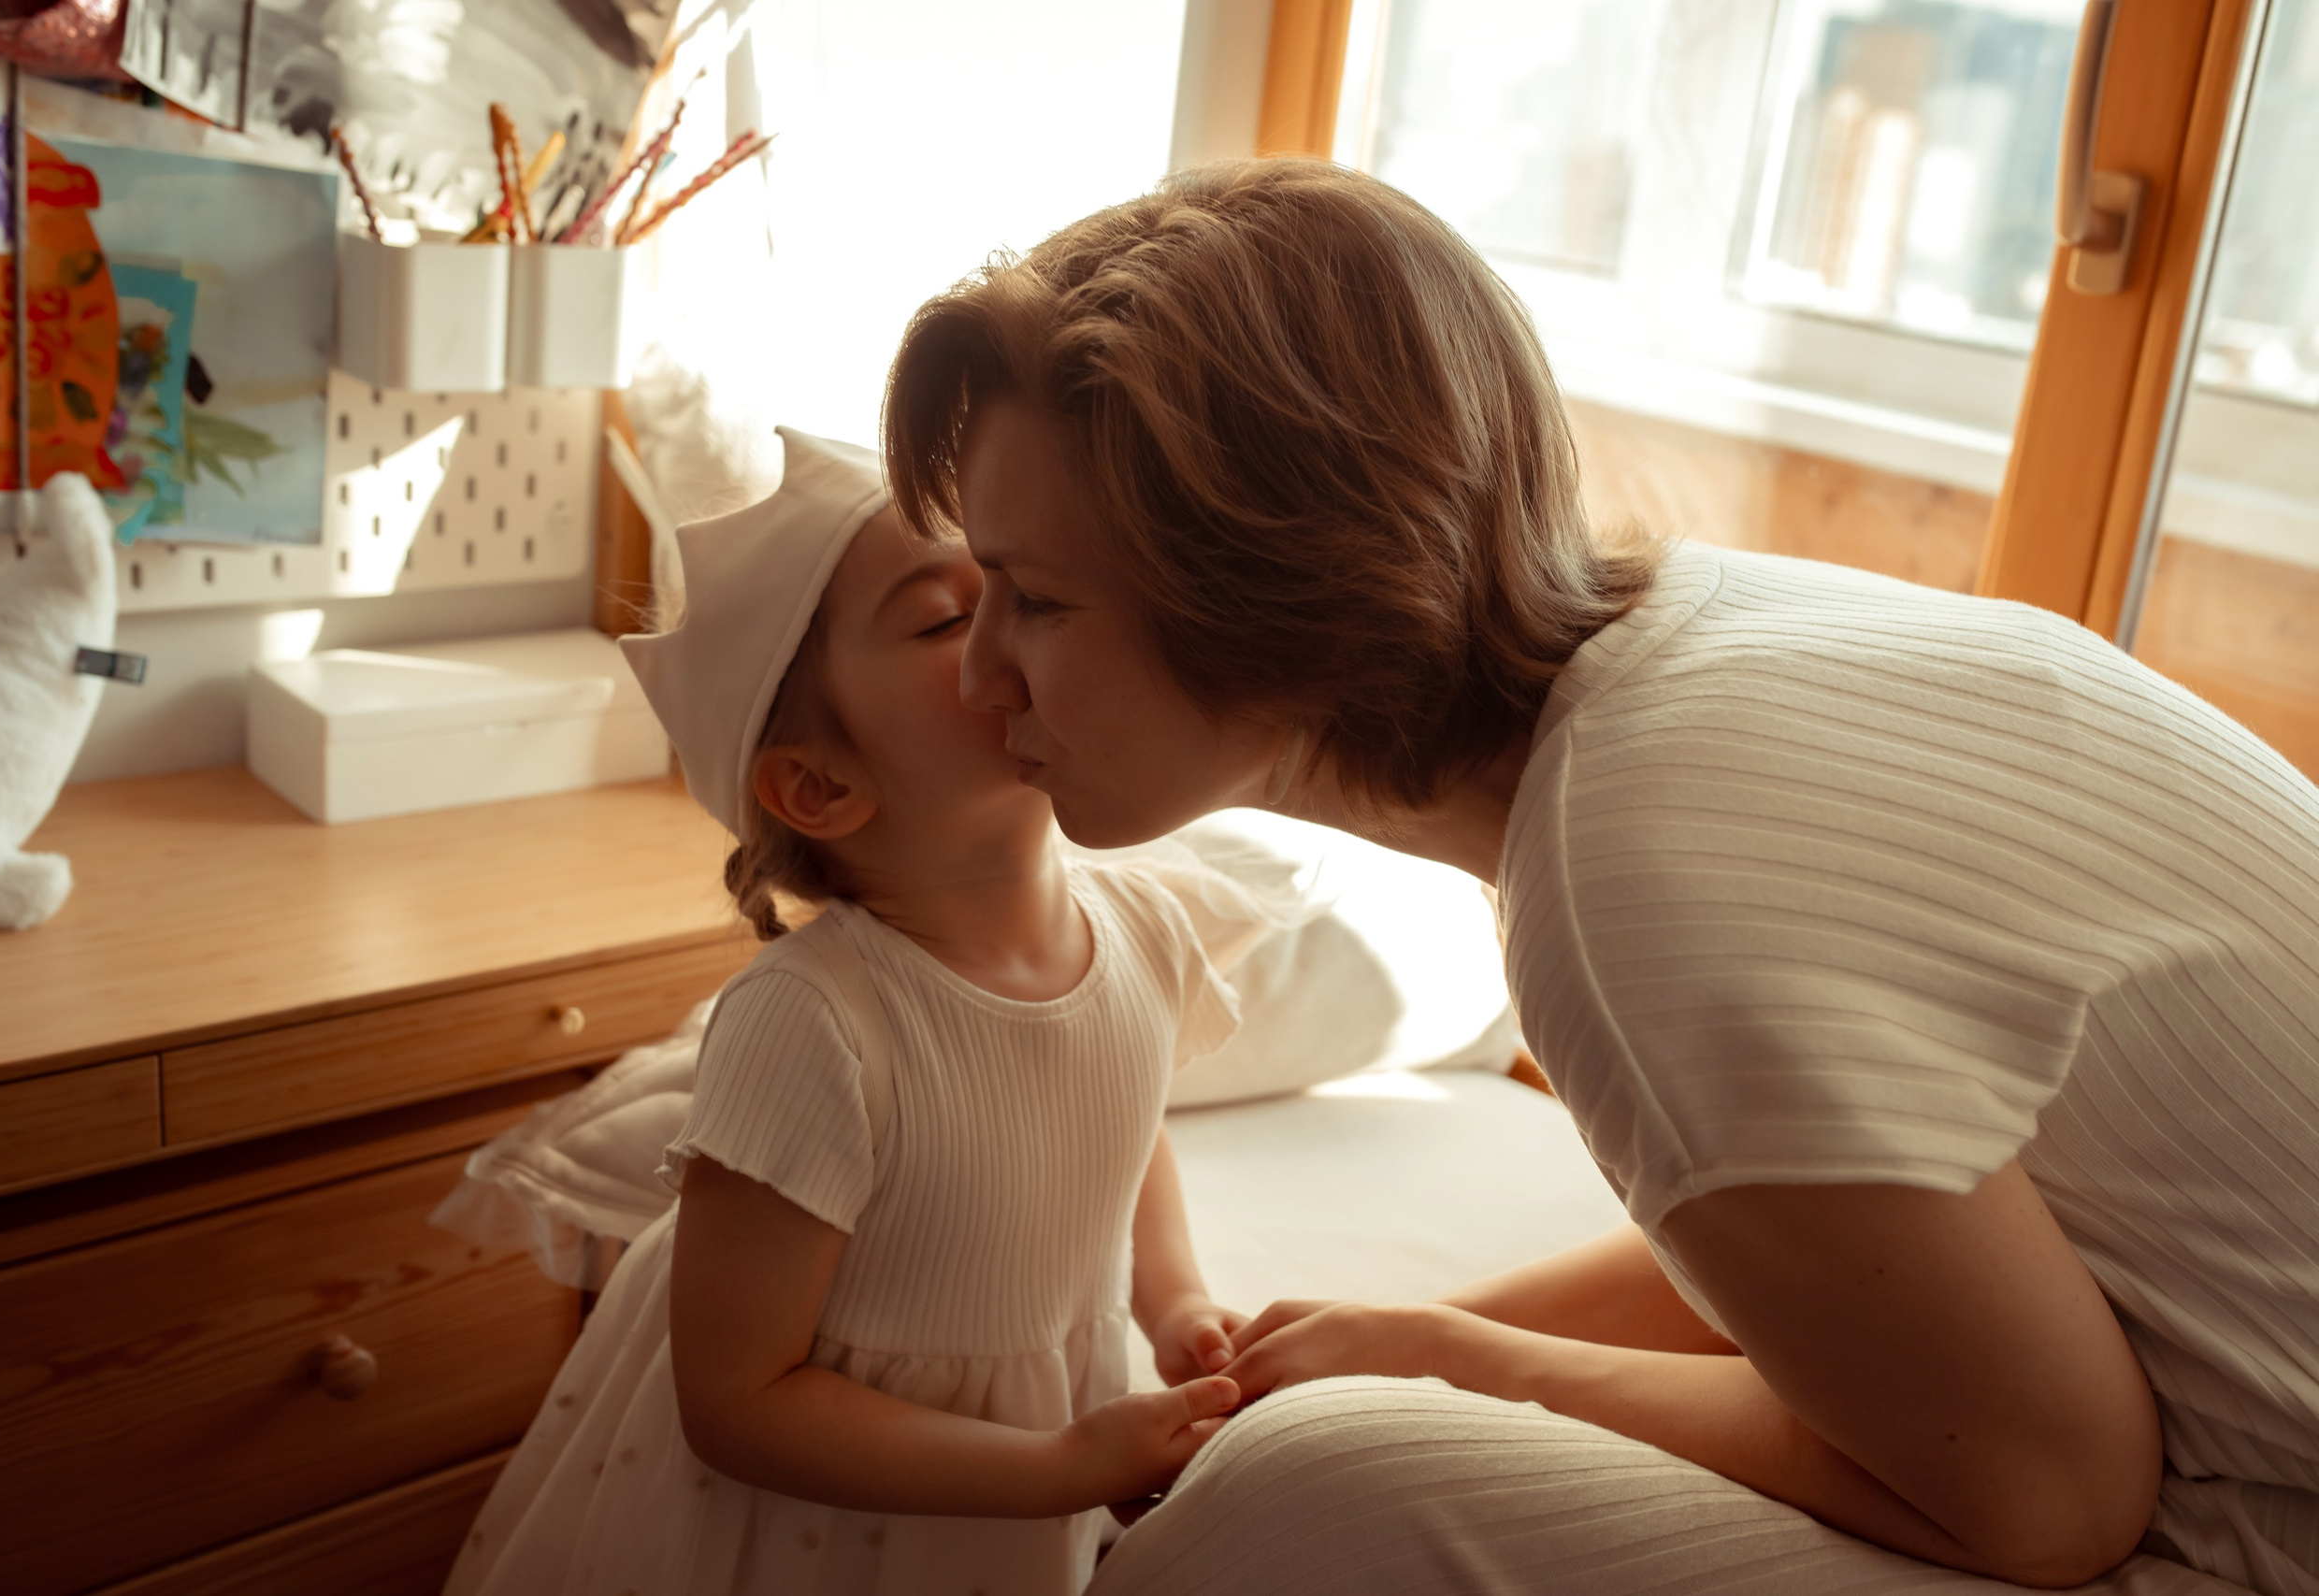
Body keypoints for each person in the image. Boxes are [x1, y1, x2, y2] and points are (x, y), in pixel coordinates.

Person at [879, 159, 2319, 1596]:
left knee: (1298, 1495)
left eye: (1038, 599)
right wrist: (1394, 1333)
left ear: (1277, 587)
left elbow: (2052, 1502)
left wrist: (1459, 1360)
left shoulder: (1631, 877)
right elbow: (1838, 1244)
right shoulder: (1704, 643)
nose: (981, 670)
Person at [444, 429, 1248, 1596]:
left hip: (1015, 1505)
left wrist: (1171, 1299)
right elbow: (738, 1403)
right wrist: (1058, 1465)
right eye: (947, 616)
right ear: (819, 783)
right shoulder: (812, 1024)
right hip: (821, 1532)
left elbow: (1120, 1131)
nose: (1013, 631)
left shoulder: (1145, 928)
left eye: (1029, 589)